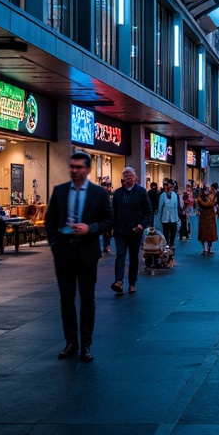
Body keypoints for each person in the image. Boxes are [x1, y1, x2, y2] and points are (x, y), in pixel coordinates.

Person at [44, 152, 114, 362]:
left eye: (79, 167)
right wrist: (55, 245)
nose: (74, 170)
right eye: (72, 167)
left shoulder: (99, 193)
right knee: (66, 299)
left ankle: (86, 345)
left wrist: (90, 228)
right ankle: (71, 342)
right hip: (64, 252)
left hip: (87, 253)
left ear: (88, 170)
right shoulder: (60, 191)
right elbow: (50, 220)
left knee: (87, 299)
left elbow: (109, 221)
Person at [109, 167, 152, 296]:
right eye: (125, 174)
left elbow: (148, 211)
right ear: (122, 177)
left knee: (133, 257)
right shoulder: (117, 193)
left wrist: (142, 225)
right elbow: (113, 213)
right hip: (120, 231)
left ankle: (132, 283)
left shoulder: (141, 192)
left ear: (135, 177)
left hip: (135, 231)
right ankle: (119, 281)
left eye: (130, 175)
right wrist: (111, 228)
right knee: (120, 256)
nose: (127, 177)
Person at [157, 180, 181, 248]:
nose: (170, 188)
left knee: (173, 232)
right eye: (169, 186)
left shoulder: (175, 195)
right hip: (165, 217)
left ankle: (172, 243)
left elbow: (176, 206)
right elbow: (160, 207)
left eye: (171, 187)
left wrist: (178, 218)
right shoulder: (162, 195)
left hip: (174, 217)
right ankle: (166, 244)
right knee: (166, 232)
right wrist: (158, 219)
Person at [196, 185, 218, 254]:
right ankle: (207, 248)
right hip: (208, 217)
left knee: (206, 233)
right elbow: (211, 204)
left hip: (205, 217)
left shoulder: (200, 199)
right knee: (208, 233)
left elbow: (203, 205)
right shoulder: (211, 199)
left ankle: (206, 248)